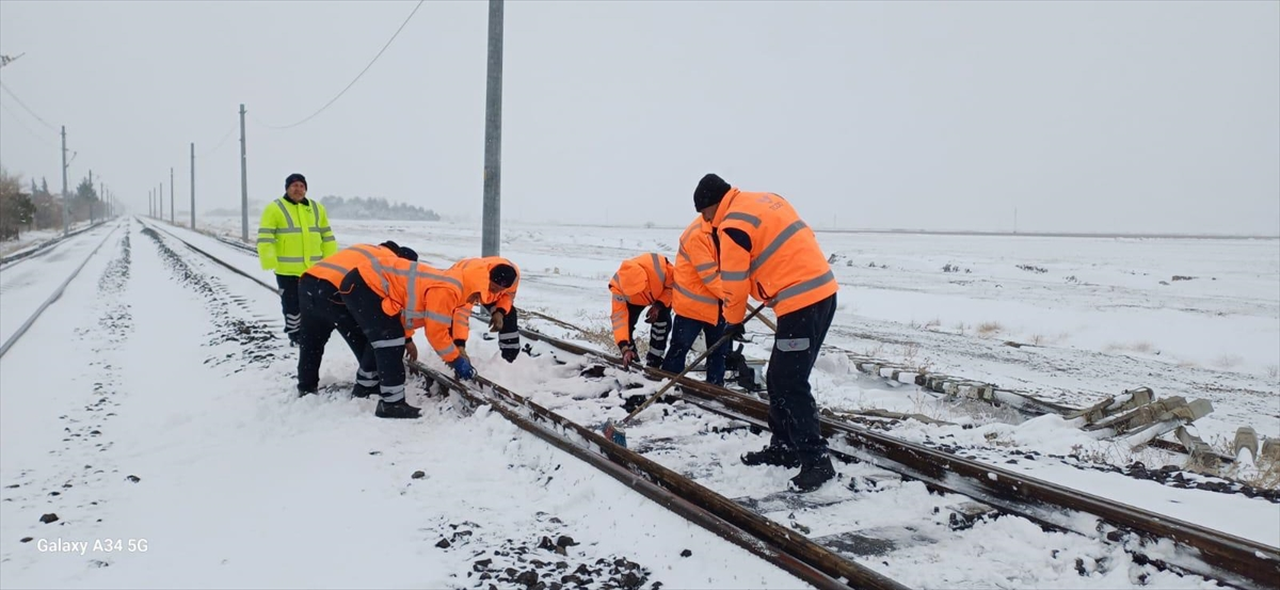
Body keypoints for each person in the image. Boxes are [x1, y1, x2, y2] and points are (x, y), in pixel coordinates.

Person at [694, 173, 840, 492]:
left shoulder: (732, 224)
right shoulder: (764, 199)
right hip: (815, 293)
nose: (707, 222)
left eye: (706, 215)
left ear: (712, 206)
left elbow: (734, 284)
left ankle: (816, 461)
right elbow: (789, 247)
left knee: (789, 380)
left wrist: (732, 322)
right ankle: (784, 447)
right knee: (777, 377)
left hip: (802, 302)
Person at [339, 257, 488, 419]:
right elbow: (436, 333)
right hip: (367, 284)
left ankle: (365, 387)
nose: (474, 302)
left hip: (362, 282)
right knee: (389, 340)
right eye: (476, 297)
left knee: (384, 338)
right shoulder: (448, 290)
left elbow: (405, 312)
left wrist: (408, 339)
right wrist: (456, 360)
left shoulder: (449, 283)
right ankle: (391, 404)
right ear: (473, 287)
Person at [295, 241, 419, 398]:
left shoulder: (369, 248)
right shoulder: (391, 263)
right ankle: (369, 383)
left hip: (308, 283)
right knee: (372, 337)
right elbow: (391, 308)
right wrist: (406, 339)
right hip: (335, 290)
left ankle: (306, 386)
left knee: (311, 341)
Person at [256, 173, 337, 346]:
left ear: (306, 188)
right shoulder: (275, 208)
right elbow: (265, 236)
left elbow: (327, 236)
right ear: (287, 188)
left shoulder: (317, 208)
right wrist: (268, 259)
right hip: (287, 269)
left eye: (301, 186)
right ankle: (295, 335)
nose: (298, 189)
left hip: (314, 269)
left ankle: (312, 332)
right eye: (294, 186)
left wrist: (330, 262)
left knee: (314, 304)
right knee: (292, 305)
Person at [660, 216, 729, 385]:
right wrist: (733, 298)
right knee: (680, 348)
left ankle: (715, 392)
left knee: (719, 351)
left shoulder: (724, 230)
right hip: (692, 305)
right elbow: (710, 276)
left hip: (718, 305)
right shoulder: (697, 235)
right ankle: (668, 385)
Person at [447, 257, 522, 363]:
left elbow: (508, 296)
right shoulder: (471, 280)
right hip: (457, 284)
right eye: (493, 288)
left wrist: (500, 312)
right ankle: (452, 355)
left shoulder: (514, 277)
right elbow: (461, 313)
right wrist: (460, 343)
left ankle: (509, 359)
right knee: (450, 318)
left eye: (500, 290)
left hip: (482, 286)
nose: (495, 292)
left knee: (509, 314)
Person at [608, 253, 674, 369]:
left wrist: (659, 305)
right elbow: (619, 319)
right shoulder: (618, 287)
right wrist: (624, 347)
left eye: (638, 290)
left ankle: (655, 360)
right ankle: (632, 359)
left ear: (645, 280)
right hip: (633, 302)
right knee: (627, 328)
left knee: (662, 324)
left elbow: (673, 286)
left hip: (660, 296)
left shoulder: (660, 268)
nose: (637, 293)